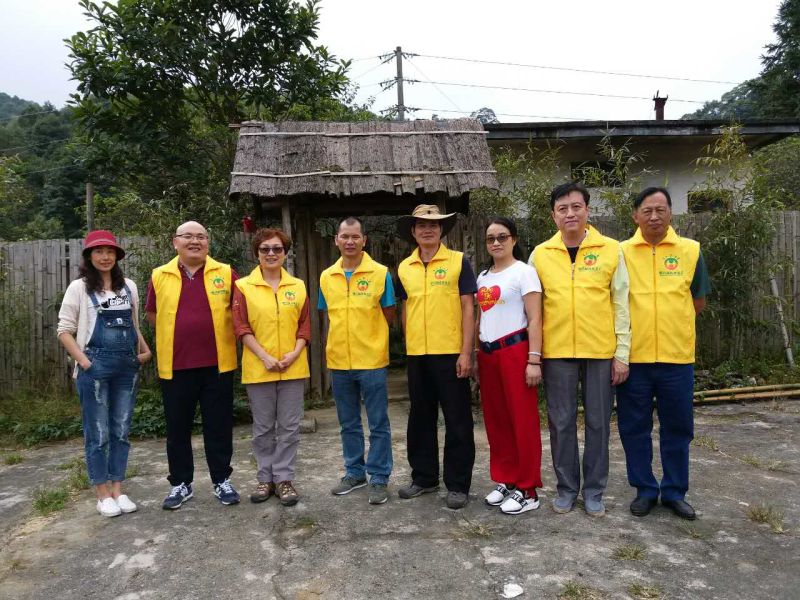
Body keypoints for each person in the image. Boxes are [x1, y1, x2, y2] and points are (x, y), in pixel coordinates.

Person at [529, 182, 630, 517]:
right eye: (562, 209)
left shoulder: (611, 249)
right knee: (561, 422)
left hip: (600, 351)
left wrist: (622, 354)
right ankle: (567, 488)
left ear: (587, 210)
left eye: (576, 207)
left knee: (599, 423)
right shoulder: (541, 254)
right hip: (557, 351)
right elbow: (532, 309)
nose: (570, 213)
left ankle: (594, 491)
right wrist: (534, 355)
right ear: (553, 216)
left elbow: (621, 303)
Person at [617, 187, 710, 521]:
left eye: (660, 210)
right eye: (647, 210)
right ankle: (644, 489)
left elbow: (698, 301)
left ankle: (674, 491)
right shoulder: (621, 252)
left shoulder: (690, 250)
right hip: (634, 359)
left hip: (677, 358)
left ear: (671, 213)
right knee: (634, 428)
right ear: (635, 216)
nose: (654, 216)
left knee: (678, 428)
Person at [145, 221, 240, 509]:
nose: (195, 241)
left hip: (218, 365)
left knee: (219, 427)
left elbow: (239, 313)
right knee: (177, 428)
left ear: (208, 243)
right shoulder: (160, 275)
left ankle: (221, 480)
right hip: (175, 366)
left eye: (201, 236)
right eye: (188, 236)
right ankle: (180, 483)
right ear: (175, 242)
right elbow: (152, 315)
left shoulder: (226, 273)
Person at [57, 230, 152, 518]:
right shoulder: (79, 288)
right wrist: (85, 363)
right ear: (89, 256)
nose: (105, 256)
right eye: (98, 251)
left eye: (110, 251)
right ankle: (102, 494)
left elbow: (133, 325)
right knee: (97, 433)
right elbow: (64, 331)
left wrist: (145, 351)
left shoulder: (129, 287)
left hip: (126, 368)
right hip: (95, 367)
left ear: (117, 256)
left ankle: (118, 490)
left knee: (121, 431)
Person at [396, 204, 477, 510]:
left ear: (442, 230)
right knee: (420, 417)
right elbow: (406, 308)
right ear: (413, 231)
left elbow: (468, 307)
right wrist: (409, 344)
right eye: (421, 225)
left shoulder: (458, 261)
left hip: (451, 352)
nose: (427, 229)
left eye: (433, 224)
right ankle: (424, 478)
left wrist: (466, 352)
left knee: (457, 420)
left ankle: (458, 485)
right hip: (418, 354)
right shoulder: (405, 267)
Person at [319, 217, 395, 506]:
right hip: (339, 361)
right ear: (336, 240)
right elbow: (328, 314)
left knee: (378, 423)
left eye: (355, 236)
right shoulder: (327, 276)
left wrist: (372, 340)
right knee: (348, 423)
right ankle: (354, 472)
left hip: (372, 360)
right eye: (344, 236)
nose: (349, 242)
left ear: (364, 240)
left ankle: (379, 477)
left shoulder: (380, 273)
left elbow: (389, 313)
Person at [232, 228, 309, 507]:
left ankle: (284, 479)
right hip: (258, 367)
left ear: (285, 253)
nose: (271, 253)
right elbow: (240, 326)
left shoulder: (298, 286)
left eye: (277, 248)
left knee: (289, 427)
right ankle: (265, 478)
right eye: (265, 249)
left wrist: (295, 353)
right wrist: (264, 356)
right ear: (257, 254)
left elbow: (305, 326)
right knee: (263, 428)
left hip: (293, 367)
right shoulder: (243, 286)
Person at [476, 217, 544, 515]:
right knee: (497, 420)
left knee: (522, 420)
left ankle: (528, 489)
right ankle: (507, 479)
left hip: (515, 351)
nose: (496, 243)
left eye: (502, 237)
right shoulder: (482, 277)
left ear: (514, 239)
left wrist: (534, 359)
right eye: (490, 238)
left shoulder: (524, 273)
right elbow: (482, 317)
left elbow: (536, 318)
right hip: (488, 354)